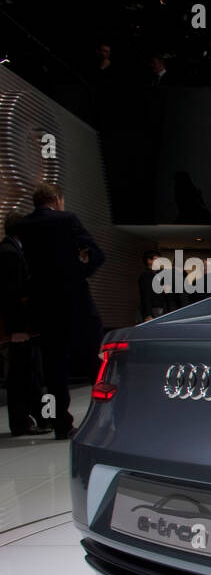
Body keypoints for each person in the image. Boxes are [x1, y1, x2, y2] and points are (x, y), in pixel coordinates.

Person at [12, 183, 105, 440]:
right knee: (94, 363)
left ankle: (61, 424)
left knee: (53, 370)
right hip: (76, 302)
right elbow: (97, 254)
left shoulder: (24, 226)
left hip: (44, 307)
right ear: (56, 199)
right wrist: (80, 273)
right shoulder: (67, 220)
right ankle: (106, 417)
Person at [1, 211, 52, 436]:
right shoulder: (10, 254)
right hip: (20, 328)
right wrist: (18, 329)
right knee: (24, 375)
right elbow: (12, 295)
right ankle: (23, 423)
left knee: (25, 375)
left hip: (20, 326)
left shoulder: (10, 250)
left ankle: (32, 420)